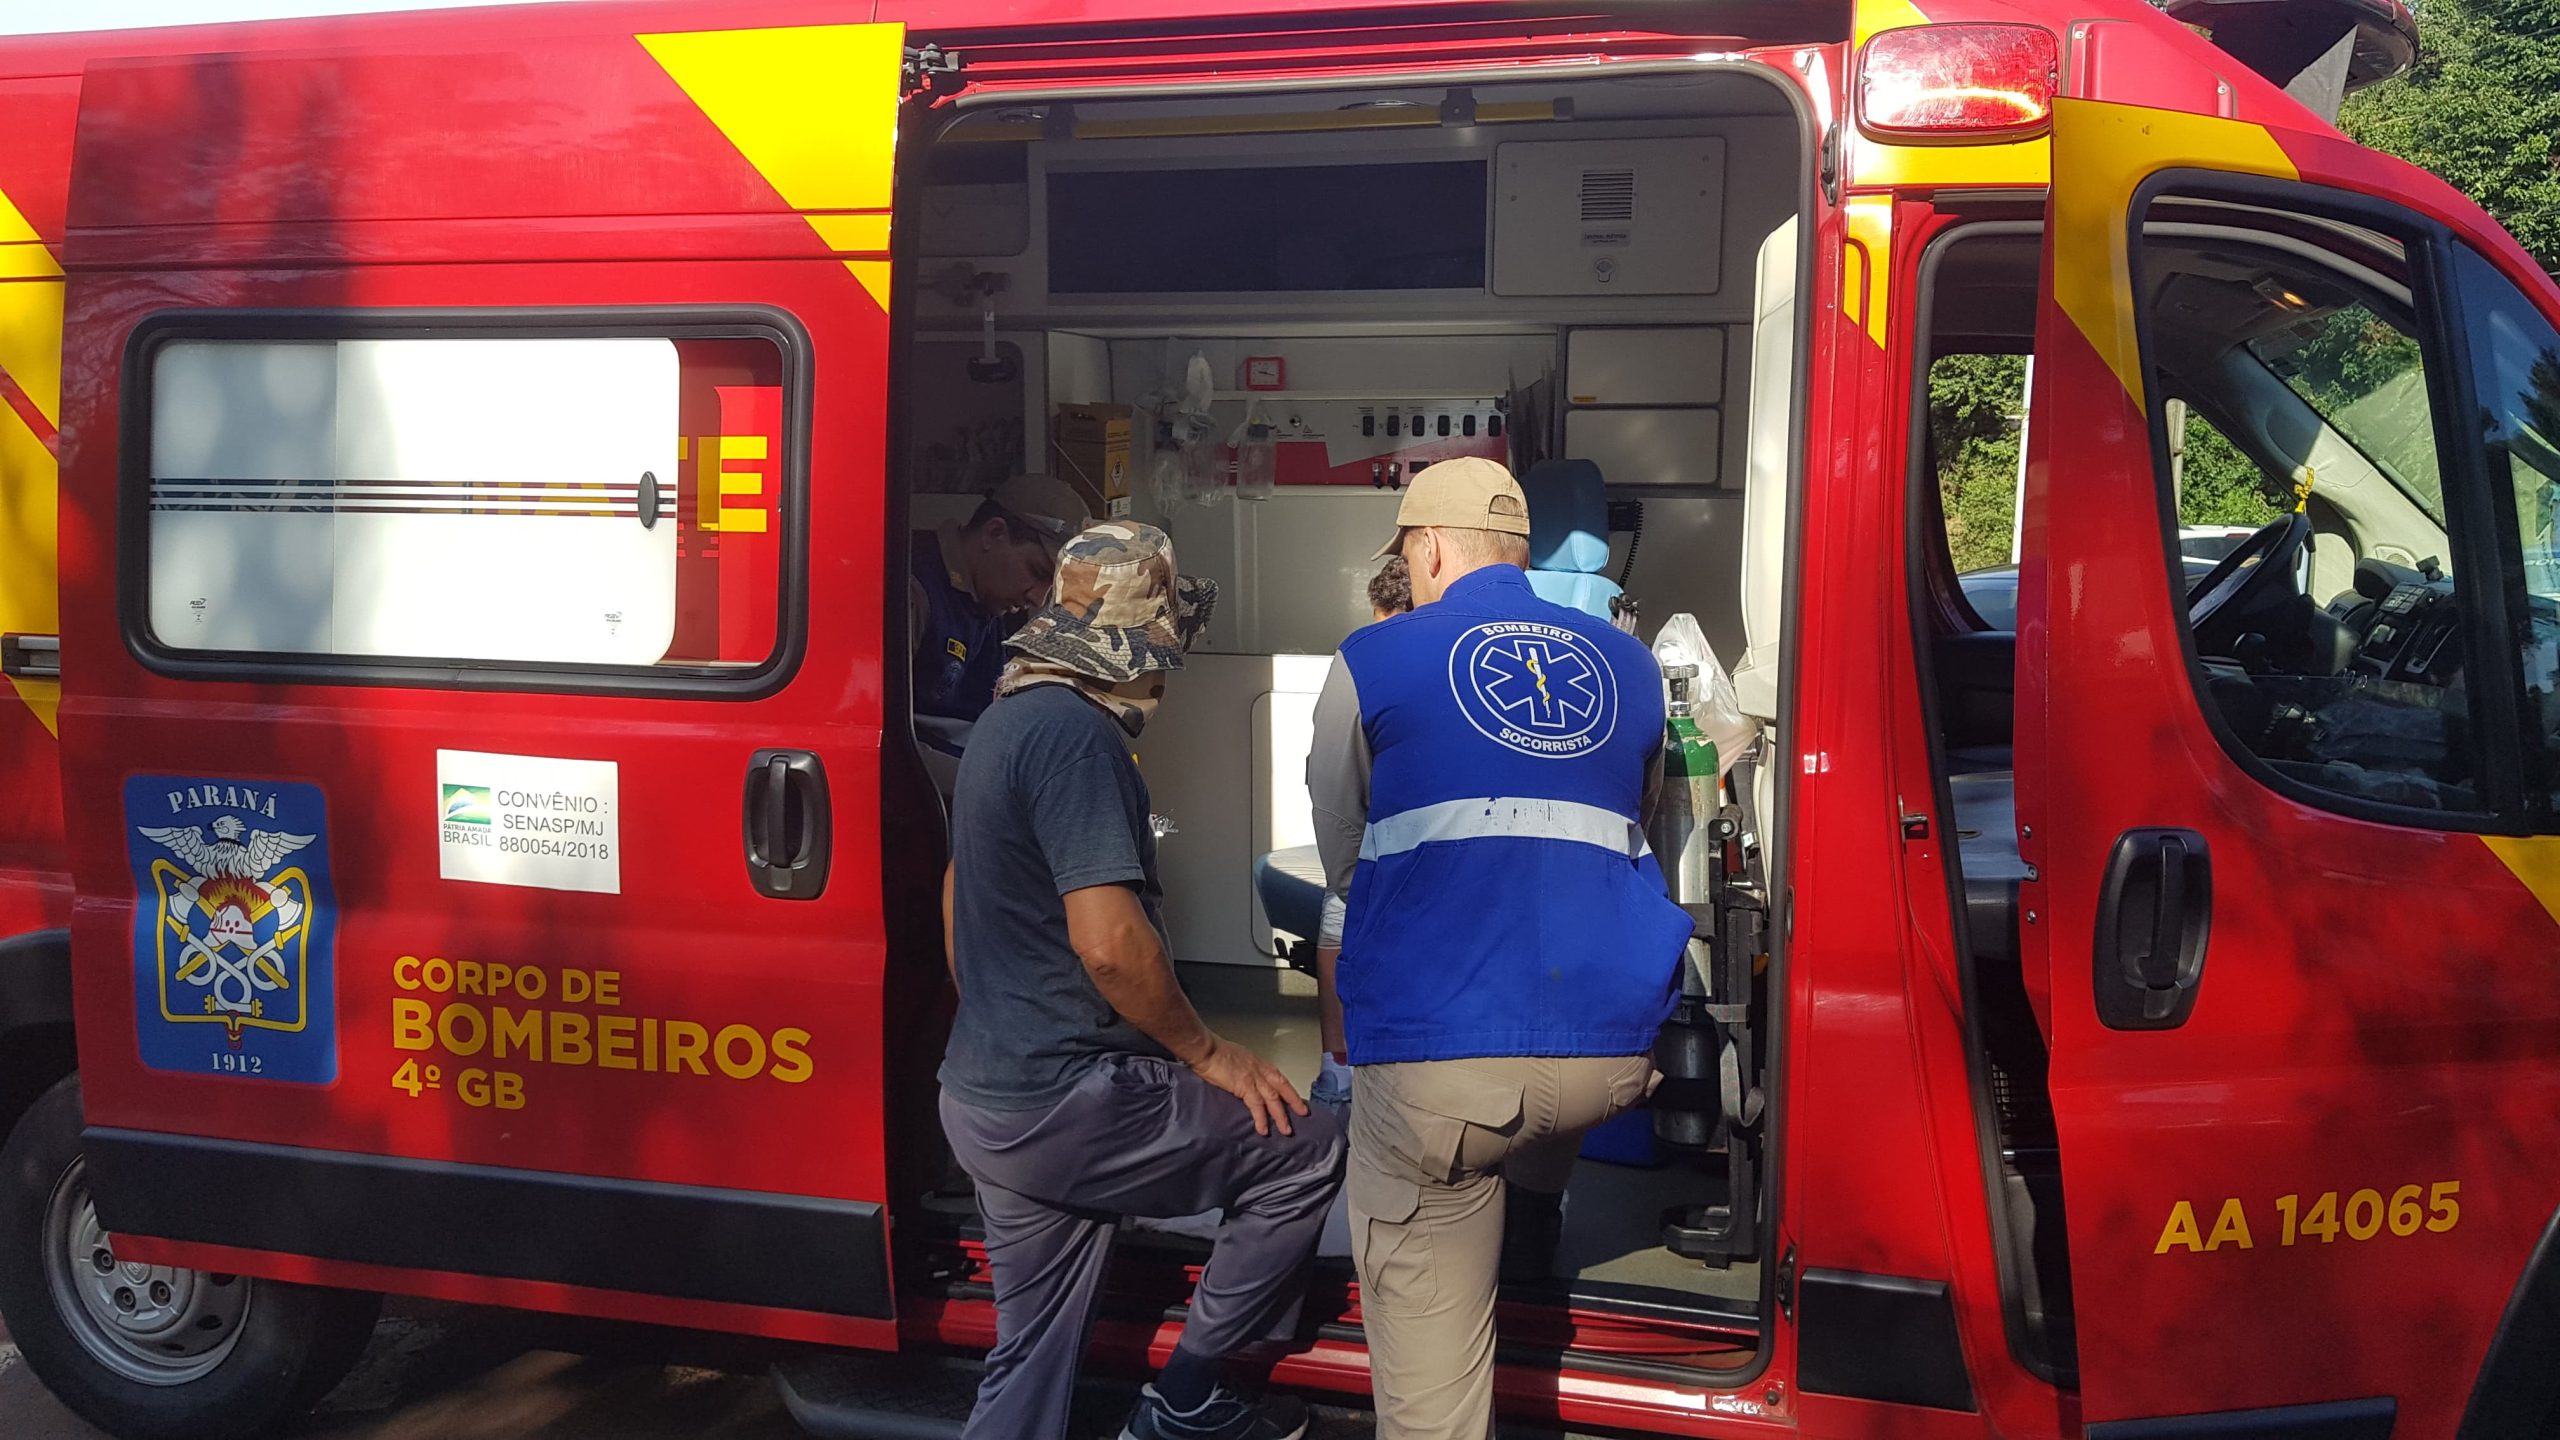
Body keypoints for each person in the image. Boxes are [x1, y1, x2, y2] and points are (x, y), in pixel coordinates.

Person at [1305, 457, 1691, 1440]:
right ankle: (1525, 1244)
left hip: (1450, 1076)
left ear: (1427, 548)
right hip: (1608, 1060)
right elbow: (1647, 828)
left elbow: (1346, 851)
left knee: (1431, 1404)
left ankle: (1478, 1261)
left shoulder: (1371, 659)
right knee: (1531, 1120)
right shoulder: (1630, 662)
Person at [939, 521, 1346, 1440]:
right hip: (1070, 1099)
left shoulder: (1002, 718)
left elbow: (960, 895)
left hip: (986, 1098)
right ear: (1132, 655)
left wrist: (1002, 1018)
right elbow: (1113, 946)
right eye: (1164, 655)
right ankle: (1194, 1397)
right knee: (1305, 1148)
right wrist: (1209, 1055)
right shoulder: (1078, 741)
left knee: (1028, 1358)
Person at [1310, 554, 1414, 1112]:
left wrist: (1348, 880)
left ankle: (1338, 1071)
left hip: (1384, 844)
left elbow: (1330, 779)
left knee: (1338, 913)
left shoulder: (1361, 660)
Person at [910, 472, 1091, 738]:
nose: (1038, 599)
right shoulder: (912, 592)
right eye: (1038, 571)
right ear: (994, 533)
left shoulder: (988, 600)